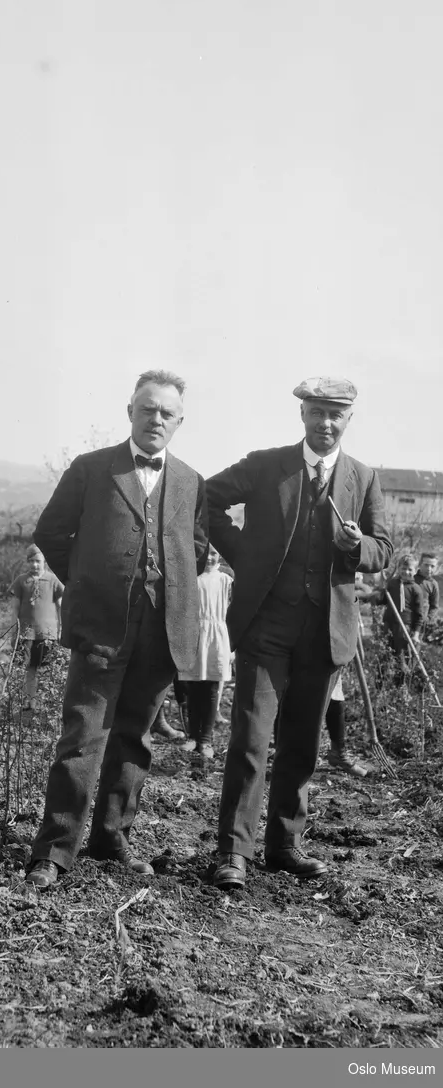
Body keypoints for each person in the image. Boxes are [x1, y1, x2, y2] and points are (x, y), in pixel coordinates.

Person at [205, 377, 392, 890]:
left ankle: (284, 845)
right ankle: (234, 852)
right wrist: (244, 552)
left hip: (325, 630)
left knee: (303, 742)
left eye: (335, 414)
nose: (325, 423)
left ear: (348, 420)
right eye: (316, 413)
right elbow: (209, 499)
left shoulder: (363, 477)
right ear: (303, 416)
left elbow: (383, 550)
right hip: (266, 624)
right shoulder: (267, 465)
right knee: (250, 737)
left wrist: (357, 548)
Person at [25, 369, 209, 889]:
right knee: (84, 738)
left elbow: (195, 550)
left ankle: (111, 838)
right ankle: (55, 850)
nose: (156, 419)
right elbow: (51, 533)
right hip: (101, 626)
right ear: (130, 411)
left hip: (163, 630)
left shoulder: (192, 481)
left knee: (135, 738)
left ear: (179, 422)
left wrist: (165, 592)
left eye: (166, 413)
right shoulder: (91, 469)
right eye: (147, 409)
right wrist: (88, 584)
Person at [175, 545, 232, 763]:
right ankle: (192, 736)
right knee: (193, 687)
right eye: (206, 553)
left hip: (217, 636)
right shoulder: (192, 578)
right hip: (195, 635)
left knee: (211, 688)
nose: (210, 557)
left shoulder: (226, 580)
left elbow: (232, 611)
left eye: (215, 554)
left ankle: (206, 739)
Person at [323, 573, 372, 778]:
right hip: (302, 632)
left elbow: (366, 590)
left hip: (332, 638)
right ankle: (284, 751)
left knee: (335, 696)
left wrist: (349, 583)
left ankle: (338, 752)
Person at [10, 544, 64, 718]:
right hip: (27, 633)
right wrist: (14, 631)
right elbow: (15, 608)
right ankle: (29, 703)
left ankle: (46, 703)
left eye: (38, 561)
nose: (34, 565)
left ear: (44, 561)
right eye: (31, 561)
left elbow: (60, 606)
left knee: (47, 669)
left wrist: (62, 629)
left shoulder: (53, 580)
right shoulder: (21, 581)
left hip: (48, 634)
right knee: (29, 668)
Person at [379, 553, 425, 680]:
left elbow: (419, 614)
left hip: (404, 627)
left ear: (415, 571)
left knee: (402, 656)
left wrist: (416, 633)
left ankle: (402, 685)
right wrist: (382, 589)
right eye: (403, 568)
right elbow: (382, 600)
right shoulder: (391, 584)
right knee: (385, 652)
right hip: (388, 624)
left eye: (410, 569)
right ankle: (380, 685)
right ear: (398, 568)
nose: (406, 572)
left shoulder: (416, 589)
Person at [415, 553, 440, 636]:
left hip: (421, 625)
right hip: (404, 619)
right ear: (420, 564)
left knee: (415, 647)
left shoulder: (433, 584)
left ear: (436, 567)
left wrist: (427, 618)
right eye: (426, 565)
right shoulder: (411, 578)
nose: (429, 569)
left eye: (432, 566)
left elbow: (434, 606)